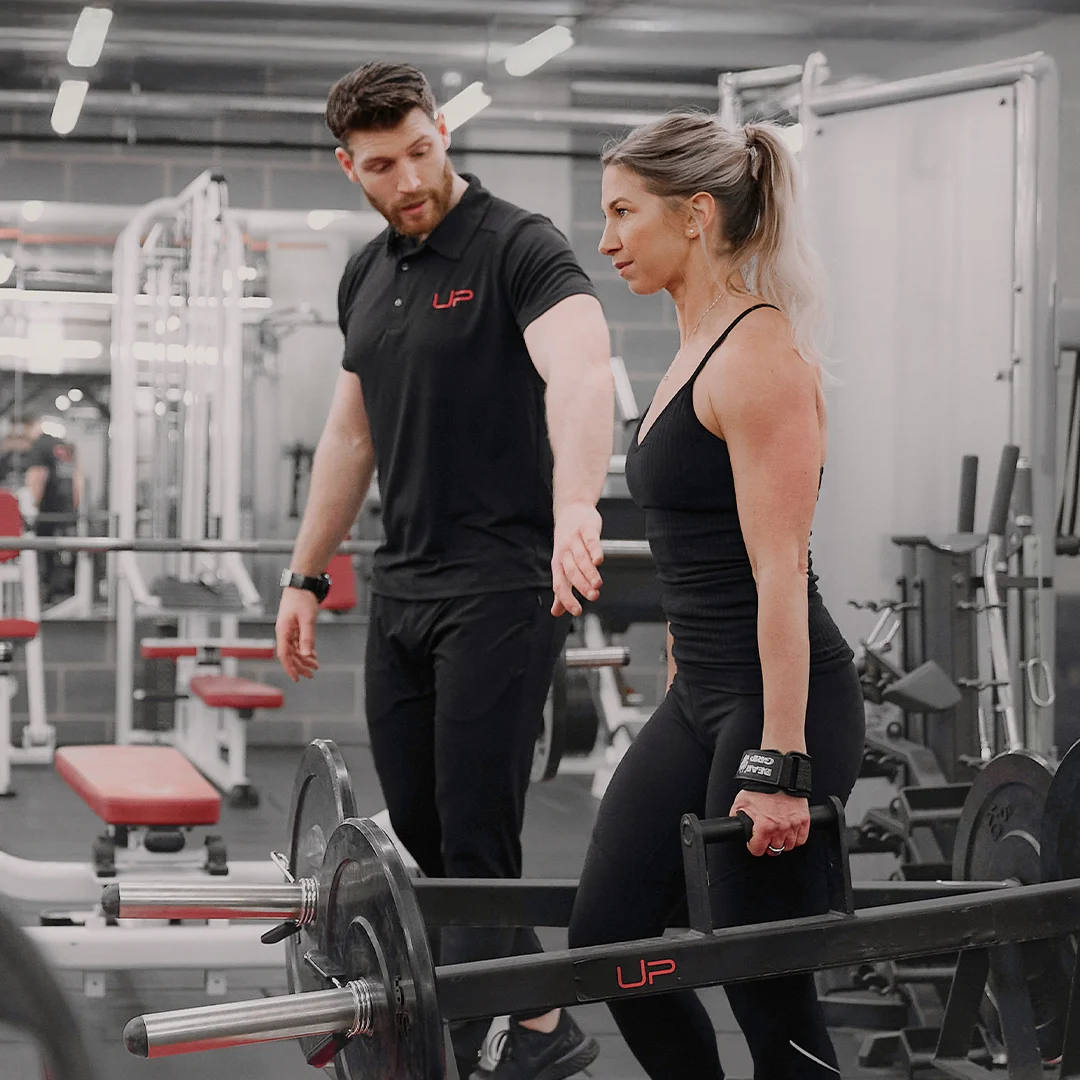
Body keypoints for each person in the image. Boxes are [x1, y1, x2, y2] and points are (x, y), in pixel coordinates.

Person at [274, 62, 613, 1080]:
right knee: (416, 833)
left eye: (423, 148)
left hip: (503, 582)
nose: (411, 175)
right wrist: (304, 575)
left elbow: (583, 367)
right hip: (401, 587)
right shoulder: (365, 273)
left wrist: (577, 507)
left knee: (476, 837)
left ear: (441, 134)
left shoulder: (518, 246)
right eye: (384, 163)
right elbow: (349, 433)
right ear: (351, 168)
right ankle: (550, 1026)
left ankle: (461, 1043)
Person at [566, 112, 866, 1079]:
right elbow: (694, 557)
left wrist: (782, 759)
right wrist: (677, 678)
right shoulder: (690, 350)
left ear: (695, 214)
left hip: (784, 704)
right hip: (703, 697)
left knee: (762, 982)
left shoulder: (758, 357)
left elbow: (779, 568)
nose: (607, 239)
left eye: (623, 213)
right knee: (611, 942)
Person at [21, 412, 81, 604]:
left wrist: (31, 508)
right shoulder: (62, 445)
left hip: (47, 512)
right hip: (67, 510)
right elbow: (77, 477)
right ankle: (68, 593)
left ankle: (49, 594)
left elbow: (37, 477)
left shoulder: (39, 446)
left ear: (28, 427)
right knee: (67, 552)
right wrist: (75, 506)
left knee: (45, 552)